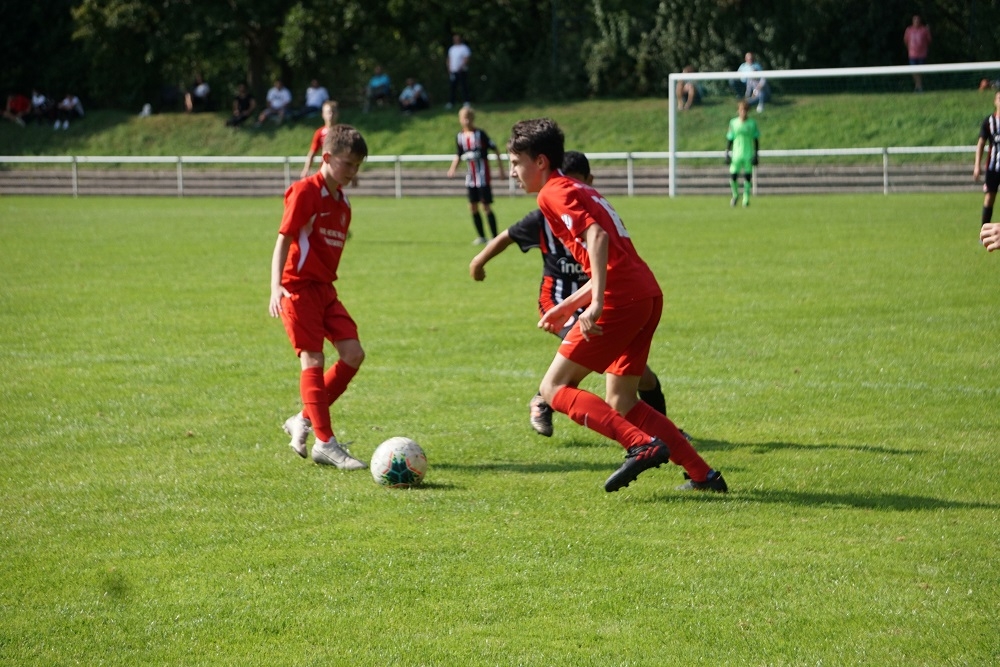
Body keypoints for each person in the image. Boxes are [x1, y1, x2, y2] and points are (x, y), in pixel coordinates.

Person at [505, 117, 727, 493]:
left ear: (540, 161)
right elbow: (611, 259)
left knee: (553, 388)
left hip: (620, 299)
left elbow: (597, 237)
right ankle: (703, 476)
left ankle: (640, 445)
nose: (512, 172)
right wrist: (569, 305)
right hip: (645, 293)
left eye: (515, 163)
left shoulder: (552, 193)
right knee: (622, 400)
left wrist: (594, 305)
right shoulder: (580, 187)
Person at [470, 150, 669, 438]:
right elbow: (507, 236)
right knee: (576, 364)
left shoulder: (590, 211)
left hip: (597, 298)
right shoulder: (544, 214)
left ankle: (661, 434)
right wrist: (478, 262)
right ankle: (544, 398)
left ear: (588, 181)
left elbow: (609, 256)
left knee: (642, 377)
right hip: (558, 299)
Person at [268, 124, 369, 470]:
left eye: (357, 166)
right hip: (298, 288)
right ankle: (325, 443)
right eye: (347, 163)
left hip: (325, 290)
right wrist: (275, 287)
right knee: (312, 359)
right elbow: (284, 238)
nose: (352, 171)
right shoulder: (305, 191)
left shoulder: (343, 203)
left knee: (353, 353)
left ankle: (302, 419)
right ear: (326, 157)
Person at [447, 106, 503, 244]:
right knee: (472, 206)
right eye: (463, 118)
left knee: (486, 206)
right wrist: (452, 169)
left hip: (483, 176)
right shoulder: (460, 136)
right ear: (460, 120)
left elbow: (495, 149)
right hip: (471, 178)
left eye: (468, 118)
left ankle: (495, 237)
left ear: (472, 119)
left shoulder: (480, 134)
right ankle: (481, 237)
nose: (466, 121)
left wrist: (501, 169)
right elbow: (459, 154)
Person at [973, 91, 1000, 229]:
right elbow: (981, 144)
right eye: (999, 98)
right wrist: (977, 165)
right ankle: (984, 233)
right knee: (989, 198)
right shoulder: (989, 121)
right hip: (993, 167)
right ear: (995, 101)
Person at [726, 100, 760, 207]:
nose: (743, 112)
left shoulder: (752, 123)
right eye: (741, 110)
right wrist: (727, 152)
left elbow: (756, 139)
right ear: (738, 110)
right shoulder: (733, 123)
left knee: (747, 177)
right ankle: (735, 195)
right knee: (733, 176)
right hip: (736, 154)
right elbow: (730, 138)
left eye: (745, 110)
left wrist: (756, 154)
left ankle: (746, 198)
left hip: (748, 154)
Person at [300, 100, 339, 179]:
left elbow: (348, 154)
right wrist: (306, 169)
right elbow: (312, 152)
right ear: (323, 114)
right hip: (325, 170)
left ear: (337, 114)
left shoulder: (342, 132)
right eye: (328, 112)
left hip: (339, 170)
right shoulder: (320, 133)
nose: (331, 115)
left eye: (333, 112)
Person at [903, 15, 931, 92]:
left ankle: (918, 86)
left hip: (922, 54)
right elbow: (906, 41)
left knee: (920, 71)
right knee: (913, 70)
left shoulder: (924, 30)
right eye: (915, 20)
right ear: (913, 21)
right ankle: (918, 86)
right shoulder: (909, 30)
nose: (916, 22)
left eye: (918, 20)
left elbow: (929, 40)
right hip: (912, 54)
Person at [446, 33, 471, 109]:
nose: (456, 40)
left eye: (457, 38)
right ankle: (451, 102)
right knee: (453, 87)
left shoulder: (464, 48)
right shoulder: (452, 49)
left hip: (462, 71)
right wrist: (449, 68)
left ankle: (466, 102)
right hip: (453, 71)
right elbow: (449, 59)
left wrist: (461, 66)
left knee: (463, 86)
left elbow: (466, 58)